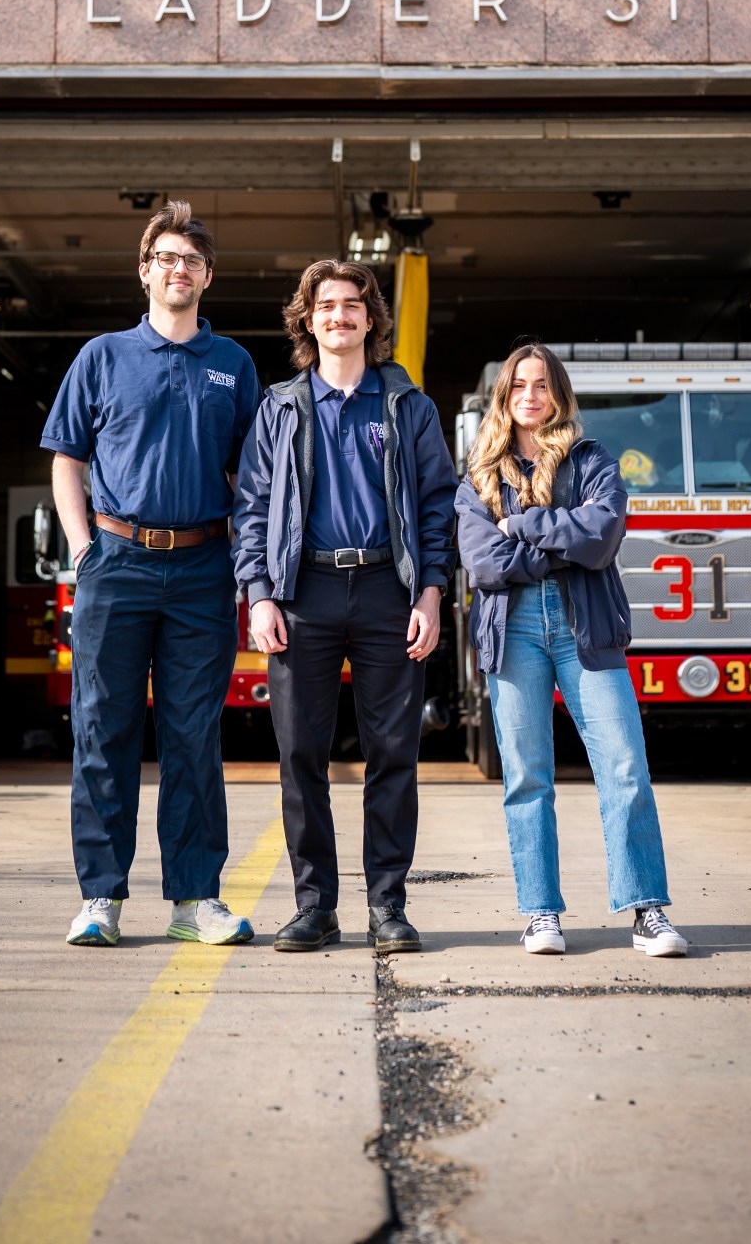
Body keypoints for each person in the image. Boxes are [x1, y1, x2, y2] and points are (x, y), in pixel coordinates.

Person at [41, 200, 261, 947]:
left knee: (193, 735)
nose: (179, 270)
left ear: (207, 278)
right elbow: (66, 458)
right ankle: (100, 897)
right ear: (144, 270)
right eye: (166, 258)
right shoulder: (101, 356)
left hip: (203, 567)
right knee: (103, 729)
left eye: (192, 261)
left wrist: (247, 562)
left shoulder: (233, 366)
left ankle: (195, 901)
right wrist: (82, 548)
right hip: (116, 563)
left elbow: (253, 476)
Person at [233, 259, 457, 955]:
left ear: (371, 318)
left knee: (394, 752)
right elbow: (253, 507)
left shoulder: (406, 406)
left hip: (390, 590)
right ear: (308, 319)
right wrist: (259, 592)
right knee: (301, 752)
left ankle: (388, 906)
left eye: (352, 305)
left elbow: (436, 504)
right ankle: (314, 907)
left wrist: (431, 590)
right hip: (305, 594)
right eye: (326, 306)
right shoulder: (279, 407)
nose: (340, 316)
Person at [455, 343, 687, 959]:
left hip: (587, 627)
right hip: (516, 630)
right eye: (519, 386)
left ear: (559, 395)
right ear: (504, 397)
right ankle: (540, 915)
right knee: (528, 775)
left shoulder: (591, 460)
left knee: (624, 767)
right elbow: (484, 562)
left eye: (542, 385)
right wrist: (559, 538)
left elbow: (603, 535)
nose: (531, 396)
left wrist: (522, 526)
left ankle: (647, 911)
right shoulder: (480, 475)